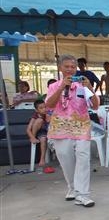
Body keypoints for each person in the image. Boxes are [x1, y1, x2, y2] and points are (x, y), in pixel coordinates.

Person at [45, 55, 99, 207]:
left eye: (72, 67)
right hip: (61, 128)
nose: (70, 69)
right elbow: (49, 105)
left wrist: (90, 88)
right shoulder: (53, 86)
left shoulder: (82, 86)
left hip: (81, 127)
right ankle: (72, 187)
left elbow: (95, 106)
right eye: (66, 66)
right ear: (60, 68)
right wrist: (62, 86)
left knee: (83, 158)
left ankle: (83, 194)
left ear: (76, 69)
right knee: (66, 159)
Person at [26, 99, 50, 168]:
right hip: (38, 132)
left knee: (43, 139)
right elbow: (28, 129)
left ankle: (42, 159)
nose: (44, 109)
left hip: (47, 132)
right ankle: (33, 138)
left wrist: (48, 118)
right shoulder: (35, 116)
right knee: (39, 120)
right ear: (36, 110)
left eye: (45, 107)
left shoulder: (48, 114)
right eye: (41, 108)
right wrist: (32, 137)